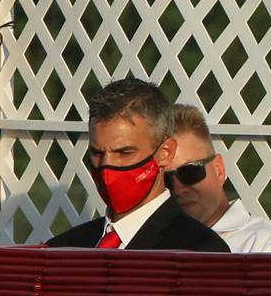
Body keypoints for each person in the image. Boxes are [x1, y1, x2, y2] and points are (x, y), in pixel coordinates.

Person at [48, 78, 229, 252]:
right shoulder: (63, 248)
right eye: (97, 153)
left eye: (124, 153)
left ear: (165, 152)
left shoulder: (200, 252)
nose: (106, 167)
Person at [166, 105, 271, 254]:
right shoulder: (148, 247)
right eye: (164, 179)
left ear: (218, 169)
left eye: (189, 172)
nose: (178, 189)